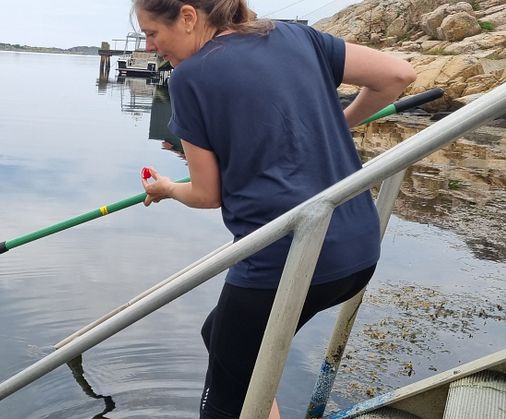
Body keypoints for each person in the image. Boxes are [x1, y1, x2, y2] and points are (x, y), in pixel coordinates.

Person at [133, 1, 417, 418]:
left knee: (224, 402)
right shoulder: (294, 35)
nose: (151, 47)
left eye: (153, 33)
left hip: (284, 259)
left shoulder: (191, 77)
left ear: (189, 17)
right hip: (357, 248)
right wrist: (342, 122)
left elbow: (207, 193)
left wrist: (168, 188)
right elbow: (398, 76)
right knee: (225, 339)